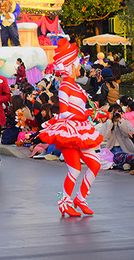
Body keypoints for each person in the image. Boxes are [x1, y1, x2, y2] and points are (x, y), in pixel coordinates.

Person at [39, 39, 103, 217]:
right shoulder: (65, 86)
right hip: (69, 131)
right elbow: (64, 113)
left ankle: (80, 199)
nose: (79, 65)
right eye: (76, 63)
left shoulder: (77, 86)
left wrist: (92, 112)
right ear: (68, 66)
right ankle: (65, 202)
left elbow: (81, 109)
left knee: (95, 164)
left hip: (81, 131)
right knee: (74, 169)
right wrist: (84, 115)